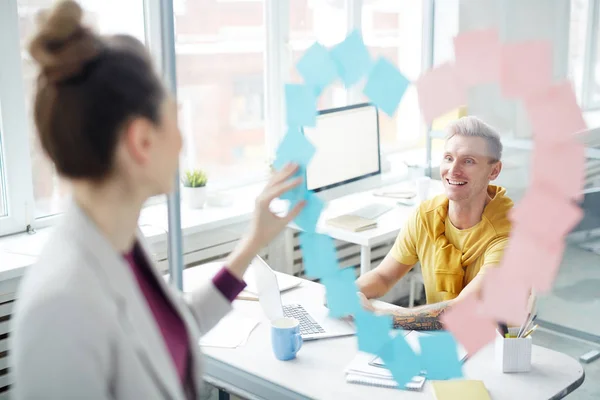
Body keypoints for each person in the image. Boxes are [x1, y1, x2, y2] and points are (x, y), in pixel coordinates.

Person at [10, 2, 304, 399]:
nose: (182, 142)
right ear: (142, 142)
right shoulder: (60, 308)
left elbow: (172, 329)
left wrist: (253, 241)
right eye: (175, 120)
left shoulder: (122, 243)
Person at [355, 116, 514, 330]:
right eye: (449, 158)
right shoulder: (427, 216)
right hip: (438, 340)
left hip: (492, 349)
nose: (453, 170)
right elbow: (384, 276)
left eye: (469, 161)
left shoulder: (511, 234)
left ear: (494, 171)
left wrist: (382, 316)